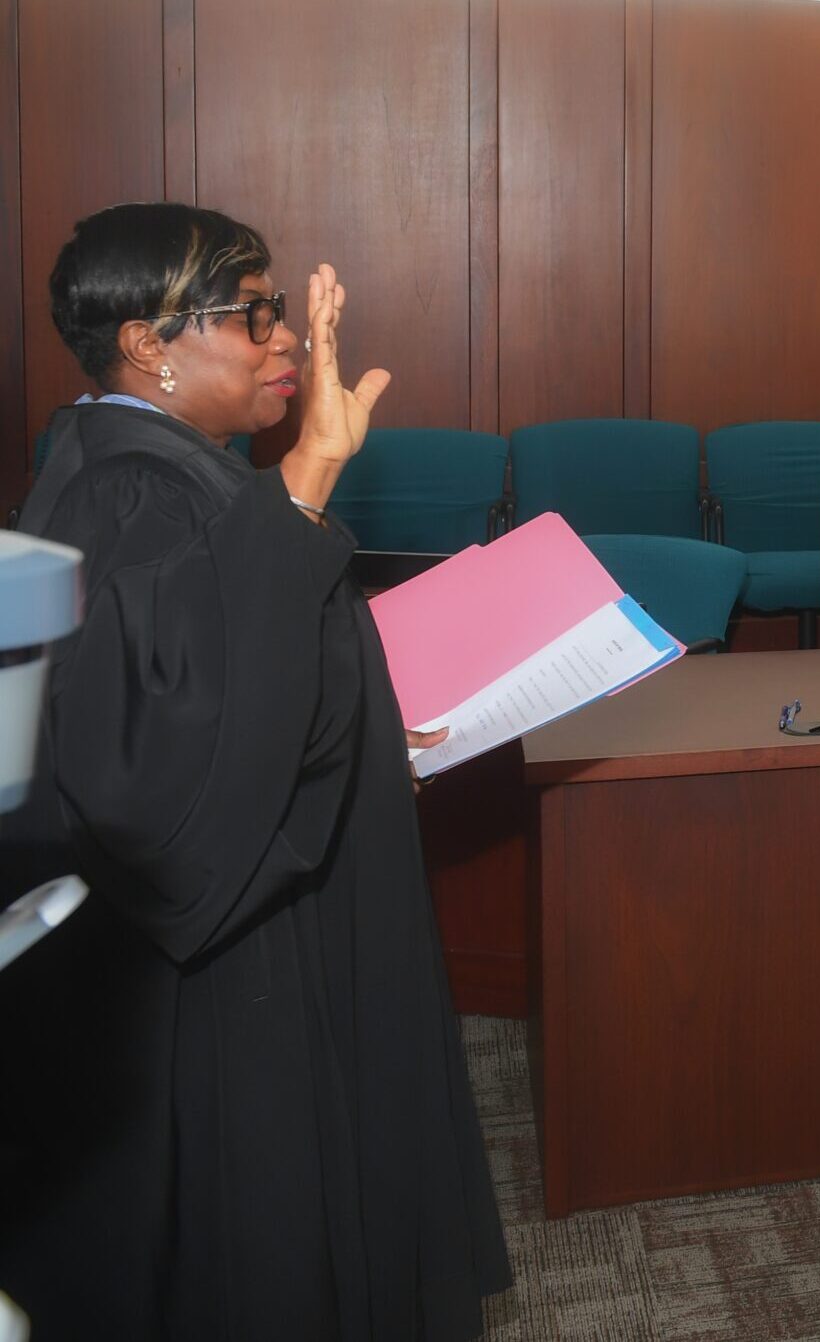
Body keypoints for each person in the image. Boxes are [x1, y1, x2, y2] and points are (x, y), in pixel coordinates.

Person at [0, 203, 509, 1338]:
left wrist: (372, 739)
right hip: (223, 981)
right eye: (253, 313)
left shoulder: (156, 466)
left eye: (277, 309)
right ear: (148, 345)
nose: (282, 338)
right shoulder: (127, 488)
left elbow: (225, 678)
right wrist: (309, 479)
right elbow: (168, 757)